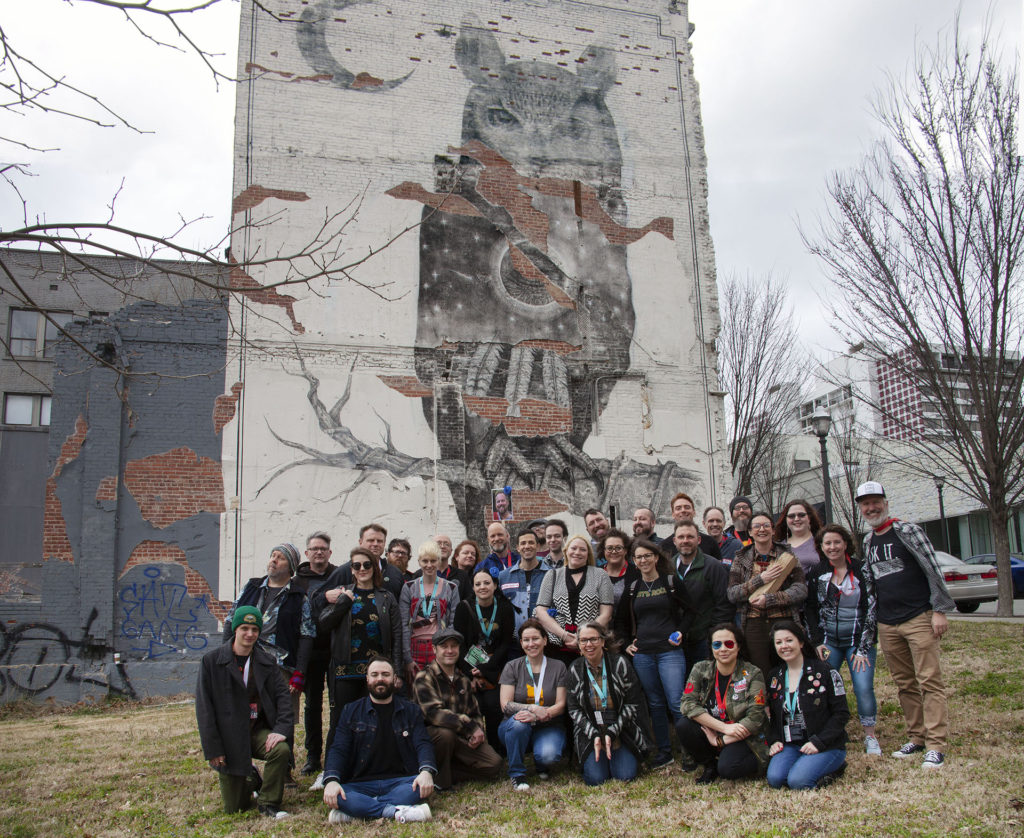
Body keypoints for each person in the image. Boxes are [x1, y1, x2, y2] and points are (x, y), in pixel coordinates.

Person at [856, 481, 954, 769]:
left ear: (886, 503)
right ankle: (917, 737)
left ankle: (936, 744)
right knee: (905, 684)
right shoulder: (868, 540)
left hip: (918, 617)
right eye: (865, 504)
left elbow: (932, 568)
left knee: (929, 682)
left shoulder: (908, 531)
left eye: (876, 502)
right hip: (888, 622)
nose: (871, 508)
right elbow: (872, 586)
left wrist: (939, 610)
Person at [223, 542, 314, 778]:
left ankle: (284, 769)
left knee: (283, 715)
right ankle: (243, 767)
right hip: (245, 659)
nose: (273, 560)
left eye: (280, 558)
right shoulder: (252, 587)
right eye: (272, 555)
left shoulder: (298, 597)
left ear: (291, 567)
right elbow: (230, 620)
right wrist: (226, 655)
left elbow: (306, 636)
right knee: (244, 712)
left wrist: (299, 672)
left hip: (280, 665)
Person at [196, 606, 293, 819]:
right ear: (235, 630)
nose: (250, 634)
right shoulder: (212, 662)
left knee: (280, 750)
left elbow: (284, 698)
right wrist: (213, 749)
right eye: (244, 628)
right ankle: (252, 778)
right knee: (235, 808)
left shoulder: (267, 662)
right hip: (229, 738)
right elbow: (204, 710)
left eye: (254, 629)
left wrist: (281, 730)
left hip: (256, 730)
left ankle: (268, 802)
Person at [321, 658, 435, 824]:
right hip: (359, 784)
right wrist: (331, 780)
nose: (380, 679)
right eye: (374, 674)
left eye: (385, 674)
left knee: (419, 788)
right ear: (367, 679)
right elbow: (339, 748)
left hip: (400, 782)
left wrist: (426, 772)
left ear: (395, 679)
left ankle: (358, 811)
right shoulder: (350, 711)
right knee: (338, 794)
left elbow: (423, 743)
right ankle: (394, 811)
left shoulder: (411, 710)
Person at [316, 546, 402, 762]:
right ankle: (332, 769)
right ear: (351, 569)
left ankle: (370, 765)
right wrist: (343, 602)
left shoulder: (386, 597)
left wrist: (397, 670)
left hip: (377, 672)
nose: (362, 569)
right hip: (345, 669)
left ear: (374, 567)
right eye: (357, 565)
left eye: (366, 564)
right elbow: (324, 624)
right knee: (340, 720)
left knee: (375, 720)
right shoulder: (343, 593)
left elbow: (397, 635)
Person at [805, 523, 881, 755]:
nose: (832, 547)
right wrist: (817, 642)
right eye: (827, 543)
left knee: (863, 687)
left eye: (837, 542)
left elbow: (872, 608)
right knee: (822, 687)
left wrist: (863, 647)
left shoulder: (861, 570)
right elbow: (810, 609)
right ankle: (831, 731)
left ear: (845, 543)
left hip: (858, 641)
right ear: (821, 546)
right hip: (829, 641)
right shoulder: (817, 572)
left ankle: (870, 735)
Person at [622, 538, 690, 769]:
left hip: (669, 651)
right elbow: (619, 622)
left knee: (676, 701)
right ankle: (664, 751)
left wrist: (681, 631)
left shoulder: (671, 581)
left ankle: (689, 750)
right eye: (639, 557)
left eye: (647, 556)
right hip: (643, 655)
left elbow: (691, 612)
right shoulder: (632, 588)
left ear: (656, 558)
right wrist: (625, 645)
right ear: (634, 561)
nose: (643, 560)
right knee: (655, 704)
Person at [676, 623, 768, 785]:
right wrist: (723, 728)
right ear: (711, 648)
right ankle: (710, 765)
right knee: (684, 725)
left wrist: (722, 740)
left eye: (729, 644)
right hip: (717, 729)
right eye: (717, 644)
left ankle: (760, 760)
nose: (723, 649)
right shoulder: (700, 668)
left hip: (740, 736)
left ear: (738, 646)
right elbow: (687, 704)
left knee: (728, 769)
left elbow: (755, 718)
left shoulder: (753, 673)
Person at [413, 627, 503, 788]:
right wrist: (469, 727)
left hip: (461, 738)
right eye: (444, 646)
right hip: (434, 738)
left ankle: (448, 771)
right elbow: (434, 714)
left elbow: (475, 712)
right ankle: (440, 781)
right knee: (445, 734)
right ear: (434, 649)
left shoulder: (463, 679)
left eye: (453, 646)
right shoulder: (424, 677)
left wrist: (477, 732)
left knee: (494, 764)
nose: (449, 650)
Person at [566, 621, 652, 785]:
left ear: (603, 641)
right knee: (595, 779)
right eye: (583, 640)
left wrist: (612, 732)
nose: (588, 644)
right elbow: (573, 709)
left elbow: (633, 704)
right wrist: (595, 735)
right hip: (590, 733)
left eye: (593, 639)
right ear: (578, 644)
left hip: (621, 730)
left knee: (625, 775)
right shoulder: (574, 669)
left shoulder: (620, 664)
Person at [765, 621, 849, 790]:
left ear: (801, 642)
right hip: (791, 743)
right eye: (779, 642)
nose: (784, 646)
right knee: (775, 779)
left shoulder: (825, 671)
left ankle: (835, 767)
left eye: (789, 640)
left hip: (825, 744)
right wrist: (774, 740)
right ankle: (805, 764)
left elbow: (842, 714)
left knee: (798, 782)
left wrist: (819, 742)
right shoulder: (775, 676)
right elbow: (773, 716)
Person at [727, 511, 807, 678]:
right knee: (760, 671)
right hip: (753, 624)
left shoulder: (787, 555)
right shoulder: (741, 559)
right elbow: (733, 594)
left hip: (784, 620)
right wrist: (760, 580)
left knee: (788, 668)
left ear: (772, 529)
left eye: (766, 526)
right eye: (756, 526)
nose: (761, 529)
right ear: (750, 532)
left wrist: (770, 599)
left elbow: (800, 589)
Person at [497, 618, 569, 790]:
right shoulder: (512, 667)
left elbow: (560, 705)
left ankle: (541, 763)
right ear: (521, 643)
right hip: (515, 725)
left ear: (545, 640)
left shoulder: (558, 667)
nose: (531, 644)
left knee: (549, 754)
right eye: (526, 640)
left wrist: (539, 714)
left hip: (548, 724)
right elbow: (505, 705)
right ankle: (517, 773)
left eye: (535, 638)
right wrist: (531, 709)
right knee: (519, 724)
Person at [453, 569, 516, 753]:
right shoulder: (464, 608)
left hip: (496, 668)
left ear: (495, 585)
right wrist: (471, 672)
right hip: (468, 668)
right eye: (478, 584)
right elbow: (461, 643)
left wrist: (487, 669)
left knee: (494, 706)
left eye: (487, 583)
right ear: (473, 587)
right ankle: (475, 749)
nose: (483, 587)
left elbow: (505, 643)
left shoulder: (504, 607)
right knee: (474, 705)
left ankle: (498, 749)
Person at [293, 531, 338, 776]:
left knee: (336, 704)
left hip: (334, 650)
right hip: (309, 652)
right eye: (314, 548)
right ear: (307, 553)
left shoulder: (338, 575)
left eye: (323, 548)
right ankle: (312, 756)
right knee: (312, 705)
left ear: (330, 553)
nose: (319, 552)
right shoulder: (298, 581)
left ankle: (334, 753)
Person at [534, 534, 614, 666]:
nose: (577, 552)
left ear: (588, 554)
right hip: (557, 646)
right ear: (566, 551)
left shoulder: (600, 575)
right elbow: (541, 611)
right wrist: (564, 635)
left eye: (583, 549)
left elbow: (606, 614)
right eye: (574, 548)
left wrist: (583, 637)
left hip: (591, 646)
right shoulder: (552, 575)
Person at [670, 520, 733, 682]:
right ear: (674, 541)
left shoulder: (713, 566)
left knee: (706, 684)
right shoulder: (667, 568)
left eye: (690, 537)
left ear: (698, 540)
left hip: (703, 640)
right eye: (681, 537)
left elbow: (723, 605)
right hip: (675, 642)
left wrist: (712, 636)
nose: (685, 540)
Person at [400, 541, 461, 686]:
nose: (429, 565)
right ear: (419, 562)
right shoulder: (409, 588)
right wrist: (407, 658)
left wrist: (447, 649)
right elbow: (403, 624)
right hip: (415, 646)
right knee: (416, 691)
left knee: (441, 688)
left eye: (433, 561)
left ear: (439, 561)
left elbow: (453, 623)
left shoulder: (451, 588)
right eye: (425, 561)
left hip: (440, 645)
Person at [327, 523, 404, 599]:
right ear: (360, 542)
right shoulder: (344, 571)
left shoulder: (395, 573)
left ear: (384, 543)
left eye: (380, 541)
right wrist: (326, 596)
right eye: (371, 540)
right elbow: (318, 600)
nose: (375, 544)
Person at [499, 529, 549, 637]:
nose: (527, 546)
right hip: (513, 643)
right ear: (517, 548)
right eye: (523, 543)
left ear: (538, 546)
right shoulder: (503, 577)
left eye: (531, 542)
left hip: (544, 640)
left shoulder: (551, 575)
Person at [599, 528, 639, 635]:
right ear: (604, 551)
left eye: (618, 548)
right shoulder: (596, 573)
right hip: (599, 634)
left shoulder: (637, 573)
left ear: (626, 550)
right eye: (609, 548)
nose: (614, 551)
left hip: (627, 634)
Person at [660, 493, 722, 559]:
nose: (683, 510)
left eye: (687, 507)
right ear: (673, 514)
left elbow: (717, 567)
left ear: (694, 512)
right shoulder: (664, 546)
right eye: (678, 508)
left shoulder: (710, 542)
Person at [415, 534, 471, 602]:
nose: (442, 546)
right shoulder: (418, 575)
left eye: (446, 544)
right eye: (438, 543)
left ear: (451, 551)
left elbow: (468, 601)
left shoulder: (462, 576)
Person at [774, 499, 823, 574]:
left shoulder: (821, 542)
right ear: (786, 520)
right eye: (791, 516)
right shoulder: (778, 546)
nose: (796, 519)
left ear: (809, 518)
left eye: (801, 515)